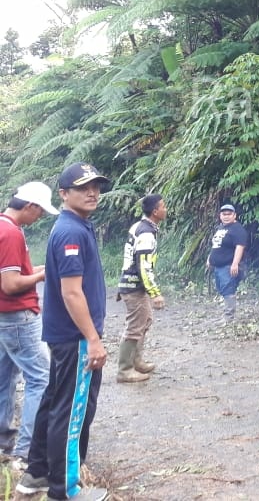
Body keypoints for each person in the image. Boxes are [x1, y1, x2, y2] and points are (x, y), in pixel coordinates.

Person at [18, 162, 111, 501]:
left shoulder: (75, 225)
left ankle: (38, 472)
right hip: (75, 339)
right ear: (64, 194)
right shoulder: (71, 231)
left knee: (54, 403)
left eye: (96, 186)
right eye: (83, 187)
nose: (92, 192)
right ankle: (65, 489)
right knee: (73, 410)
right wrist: (93, 339)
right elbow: (72, 292)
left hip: (66, 337)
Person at [0, 182, 56, 462]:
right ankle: (27, 451)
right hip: (18, 315)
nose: (40, 218)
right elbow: (10, 284)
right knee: (41, 379)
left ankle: (3, 444)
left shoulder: (1, 225)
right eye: (40, 213)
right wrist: (40, 276)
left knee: (5, 377)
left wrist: (34, 271)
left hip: (3, 317)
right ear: (30, 206)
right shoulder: (11, 233)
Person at [116, 194, 167, 383]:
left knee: (145, 321)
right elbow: (143, 266)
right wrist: (155, 293)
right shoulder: (146, 233)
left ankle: (136, 361)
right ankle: (124, 369)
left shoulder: (140, 226)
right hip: (134, 285)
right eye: (163, 206)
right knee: (135, 326)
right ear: (155, 211)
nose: (166, 209)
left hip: (133, 284)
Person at [206, 204, 248, 324]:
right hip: (218, 266)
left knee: (228, 289)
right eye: (224, 214)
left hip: (228, 265)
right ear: (220, 216)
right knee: (222, 289)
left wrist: (235, 263)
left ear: (234, 215)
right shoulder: (221, 228)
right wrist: (210, 259)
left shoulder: (237, 229)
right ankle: (225, 315)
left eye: (229, 214)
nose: (226, 216)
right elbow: (216, 245)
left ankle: (229, 317)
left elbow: (240, 247)